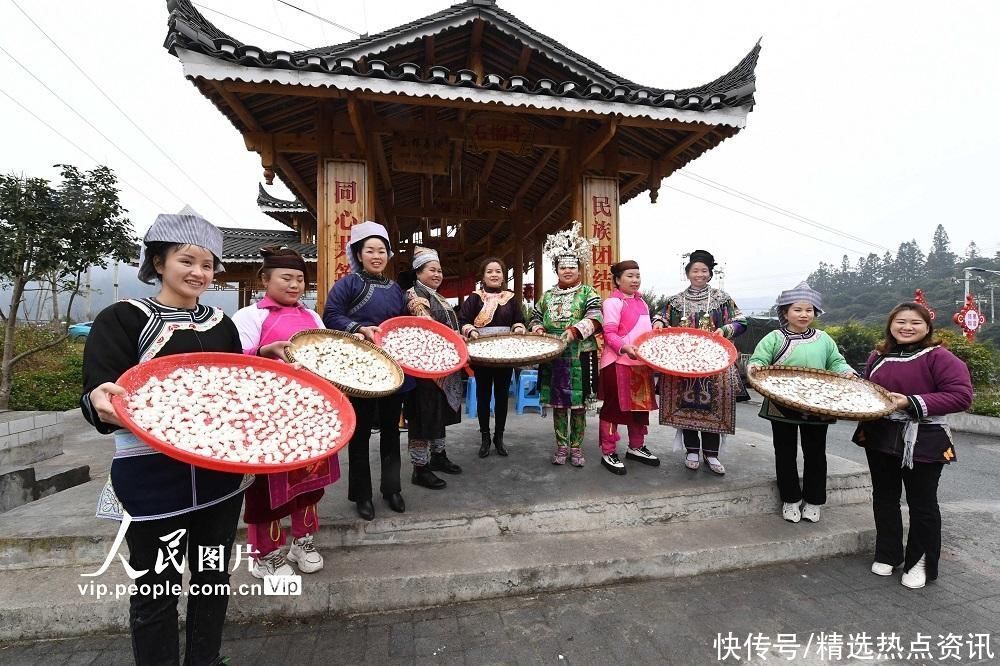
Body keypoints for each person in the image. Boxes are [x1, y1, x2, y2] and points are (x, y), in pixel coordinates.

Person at [81, 210, 254, 665]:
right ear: (158, 262)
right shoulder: (123, 318)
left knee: (213, 578)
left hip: (220, 474)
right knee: (155, 588)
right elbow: (100, 394)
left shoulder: (222, 323)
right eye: (187, 260)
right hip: (152, 475)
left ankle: (205, 659)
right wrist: (99, 398)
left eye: (208, 264)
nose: (200, 272)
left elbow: (238, 391)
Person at [231, 247, 338, 578]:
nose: (295, 285)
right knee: (265, 488)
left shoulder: (313, 318)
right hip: (267, 417)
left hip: (308, 414)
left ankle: (302, 540)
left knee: (308, 479)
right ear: (265, 279)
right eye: (286, 278)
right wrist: (263, 351)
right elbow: (236, 362)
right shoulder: (250, 317)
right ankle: (266, 552)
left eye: (300, 279)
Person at [854, 302, 972, 589]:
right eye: (901, 321)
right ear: (891, 325)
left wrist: (910, 402)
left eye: (915, 322)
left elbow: (961, 395)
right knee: (884, 496)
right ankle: (888, 553)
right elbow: (871, 390)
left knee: (922, 503)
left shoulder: (939, 357)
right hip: (880, 435)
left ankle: (920, 561)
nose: (907, 327)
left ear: (927, 327)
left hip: (924, 439)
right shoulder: (878, 356)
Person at [322, 221, 409, 521]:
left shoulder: (395, 288)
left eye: (381, 250)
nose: (376, 255)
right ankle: (361, 494)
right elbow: (330, 315)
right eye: (369, 250)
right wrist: (358, 328)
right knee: (359, 433)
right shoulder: (348, 284)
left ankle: (392, 488)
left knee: (390, 430)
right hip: (357, 366)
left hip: (390, 366)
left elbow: (401, 323)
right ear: (358, 253)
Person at [747, 281, 853, 524]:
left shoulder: (824, 339)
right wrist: (755, 367)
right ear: (785, 313)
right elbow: (759, 359)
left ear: (815, 313)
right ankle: (791, 499)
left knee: (816, 453)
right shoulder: (775, 337)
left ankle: (814, 501)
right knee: (784, 452)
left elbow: (836, 361)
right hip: (781, 402)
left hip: (817, 403)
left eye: (809, 310)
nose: (804, 314)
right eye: (797, 309)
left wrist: (846, 372)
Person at [652, 249, 747, 475]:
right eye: (695, 270)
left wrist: (725, 329)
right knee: (686, 405)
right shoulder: (676, 301)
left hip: (716, 364)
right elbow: (660, 317)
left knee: (714, 406)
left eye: (704, 270)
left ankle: (711, 454)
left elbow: (742, 321)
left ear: (710, 274)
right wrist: (657, 323)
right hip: (683, 364)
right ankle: (692, 451)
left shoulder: (722, 299)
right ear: (688, 273)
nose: (700, 274)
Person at [528, 222, 603, 467]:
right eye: (563, 267)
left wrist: (574, 330)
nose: (568, 270)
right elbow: (536, 317)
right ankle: (561, 445)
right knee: (559, 405)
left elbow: (596, 317)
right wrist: (538, 328)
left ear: (579, 270)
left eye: (572, 266)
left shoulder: (588, 293)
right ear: (556, 270)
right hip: (554, 355)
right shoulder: (547, 296)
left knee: (578, 405)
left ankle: (576, 447)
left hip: (580, 354)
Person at [399, 246, 464, 489]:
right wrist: (454, 337)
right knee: (423, 417)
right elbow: (428, 326)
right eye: (432, 270)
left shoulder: (438, 295)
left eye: (439, 270)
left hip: (443, 364)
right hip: (423, 368)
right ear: (418, 272)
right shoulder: (414, 294)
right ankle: (420, 468)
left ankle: (438, 456)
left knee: (438, 413)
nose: (437, 274)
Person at [458, 256, 527, 457]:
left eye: (498, 271)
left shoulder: (511, 298)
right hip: (482, 353)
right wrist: (471, 332)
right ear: (483, 276)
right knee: (483, 395)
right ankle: (485, 437)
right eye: (490, 271)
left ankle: (499, 437)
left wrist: (519, 328)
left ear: (503, 275)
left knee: (502, 397)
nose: (494, 274)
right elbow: (463, 320)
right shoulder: (474, 298)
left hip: (505, 353)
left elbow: (519, 320)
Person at [597, 260, 659, 475]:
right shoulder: (613, 303)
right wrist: (624, 348)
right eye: (630, 276)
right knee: (614, 409)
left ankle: (636, 446)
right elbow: (609, 333)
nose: (635, 280)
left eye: (637, 276)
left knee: (639, 408)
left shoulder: (642, 303)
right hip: (618, 362)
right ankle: (608, 450)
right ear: (617, 279)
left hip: (641, 364)